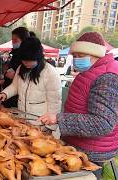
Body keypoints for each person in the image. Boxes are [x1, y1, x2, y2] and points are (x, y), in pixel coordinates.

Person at [39, 32, 118, 178]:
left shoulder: (107, 78)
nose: (76, 60)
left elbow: (103, 123)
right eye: (74, 56)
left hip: (91, 152)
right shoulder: (92, 70)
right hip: (76, 144)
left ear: (94, 54)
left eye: (80, 56)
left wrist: (59, 119)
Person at [0, 37, 62, 120]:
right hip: (22, 118)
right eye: (24, 61)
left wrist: (51, 122)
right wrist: (5, 93)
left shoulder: (50, 72)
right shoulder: (21, 68)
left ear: (38, 57)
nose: (26, 64)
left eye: (29, 61)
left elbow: (55, 102)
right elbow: (15, 86)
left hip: (40, 121)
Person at [3, 27, 30, 108]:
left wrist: (15, 76)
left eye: (15, 40)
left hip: (17, 99)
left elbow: (26, 79)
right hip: (10, 92)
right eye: (12, 40)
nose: (13, 42)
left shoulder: (25, 56)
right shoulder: (15, 54)